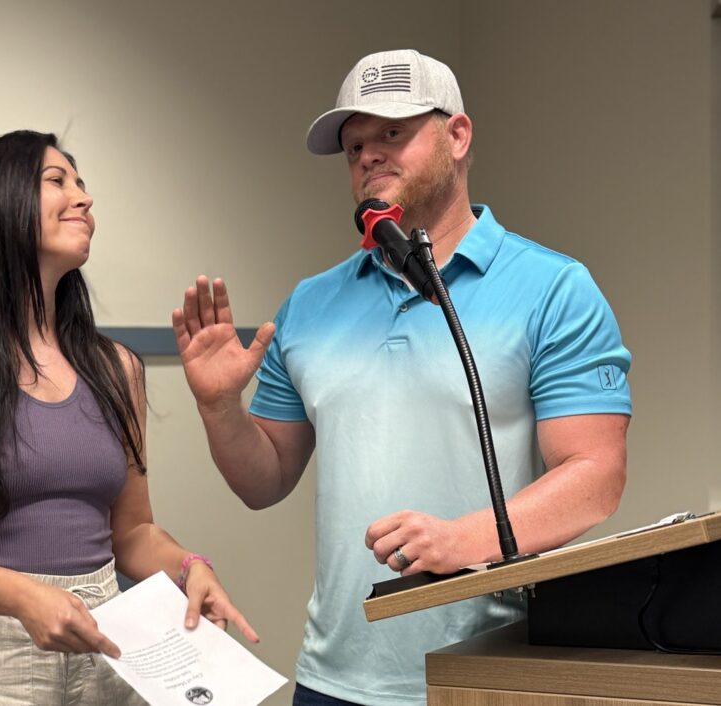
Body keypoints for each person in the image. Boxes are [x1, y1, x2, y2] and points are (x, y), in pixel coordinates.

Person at [172, 49, 631, 706]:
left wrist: (461, 538)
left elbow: (596, 479)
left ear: (458, 135)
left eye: (393, 133)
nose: (367, 155)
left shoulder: (553, 288)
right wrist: (220, 407)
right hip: (332, 678)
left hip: (483, 675)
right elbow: (263, 480)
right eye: (354, 143)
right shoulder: (309, 304)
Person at [0, 130, 257, 706]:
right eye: (57, 181)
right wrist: (23, 595)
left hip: (103, 652)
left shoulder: (115, 366)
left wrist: (188, 567)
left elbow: (134, 533)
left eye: (82, 182)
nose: (84, 198)